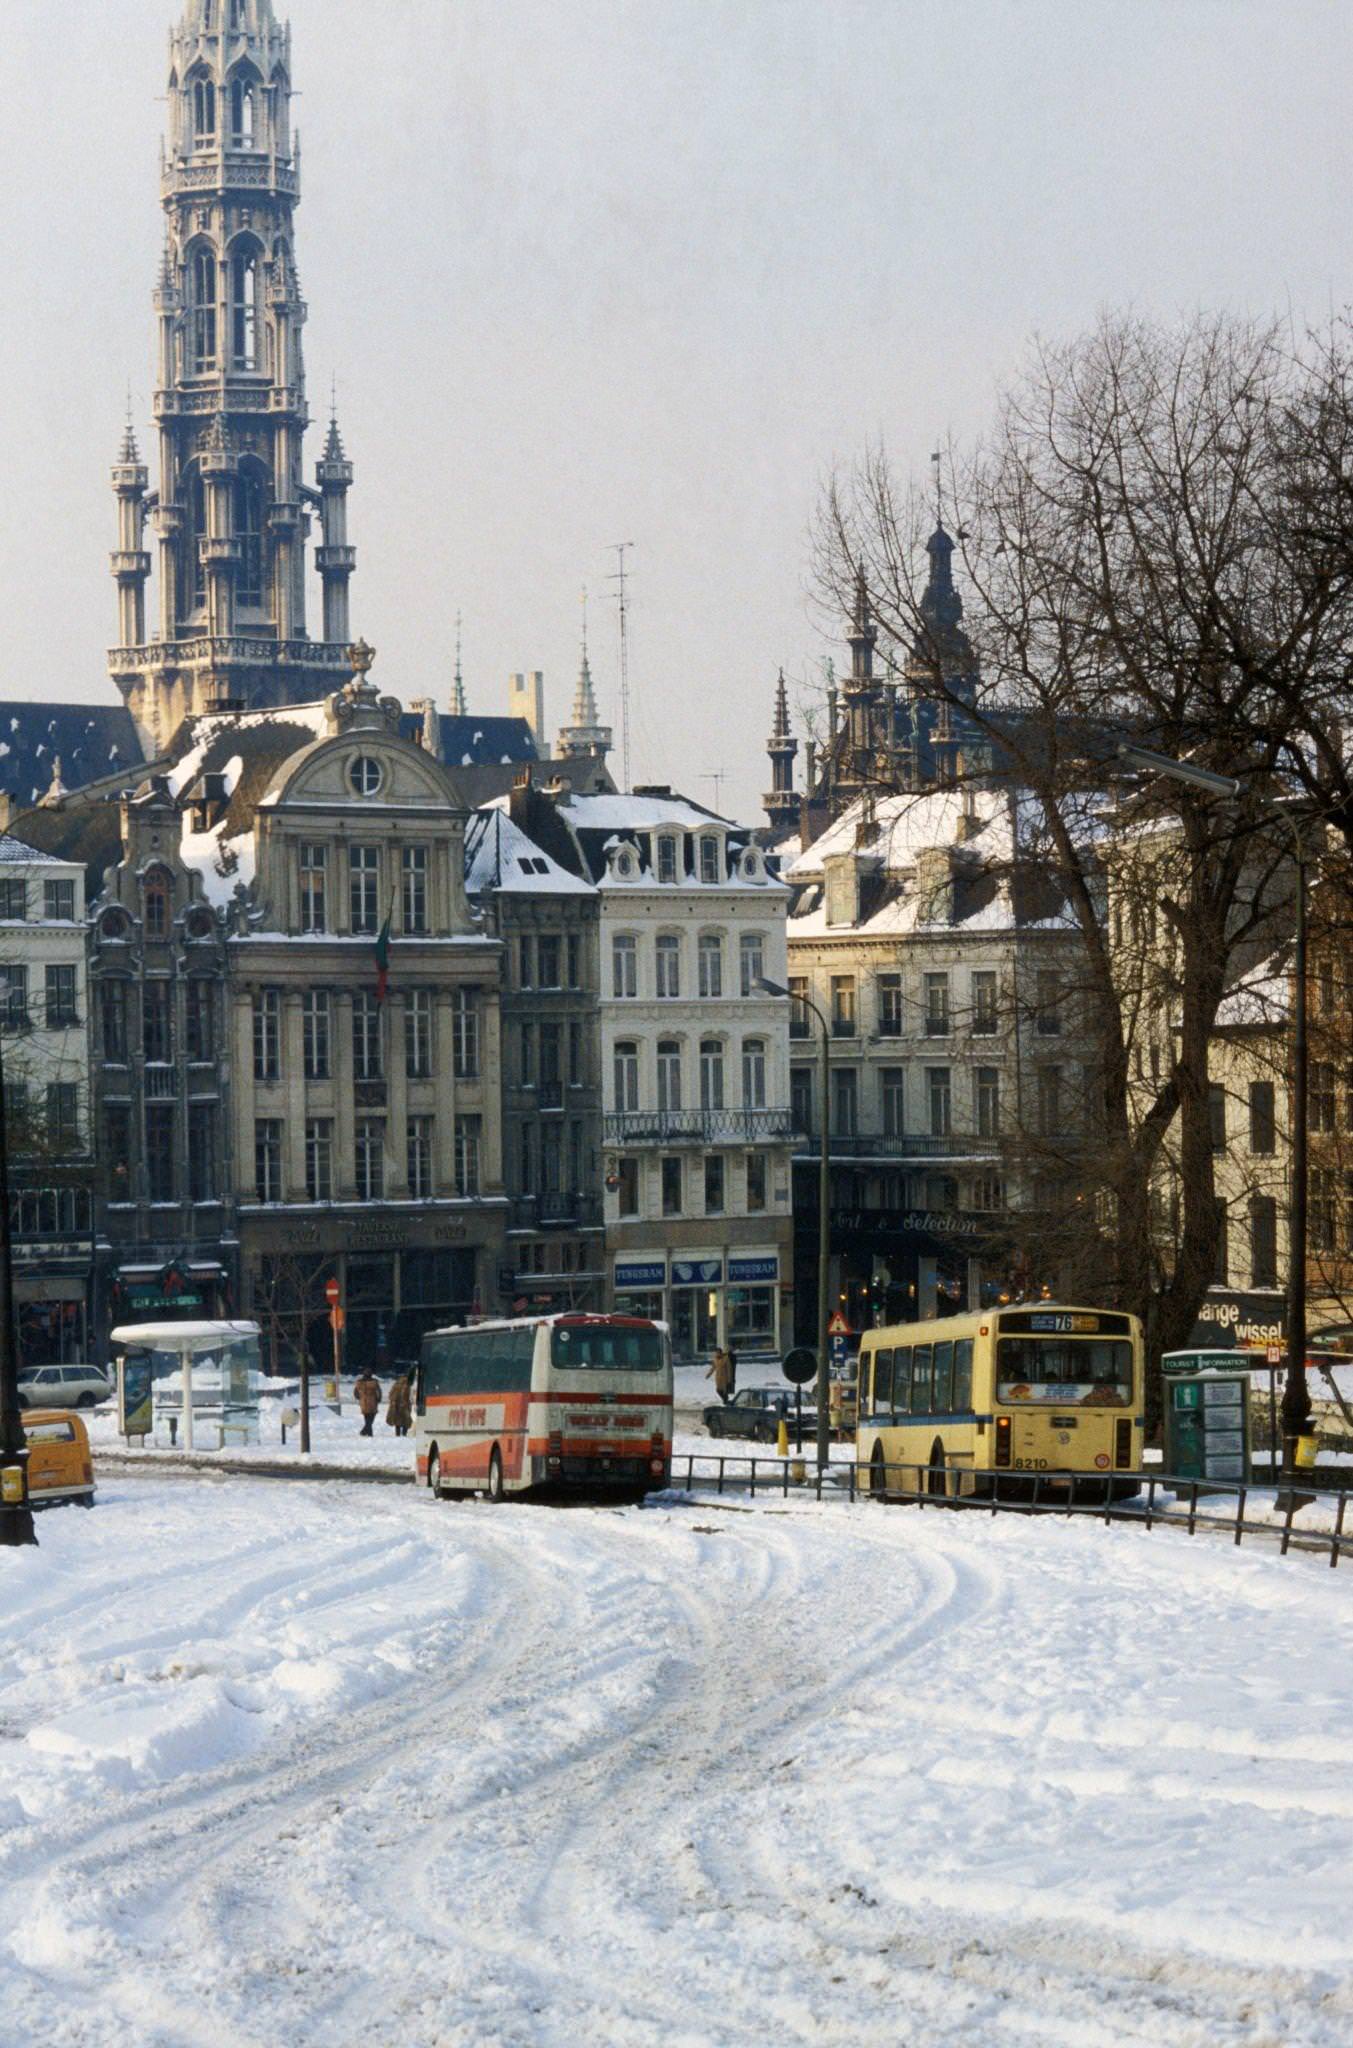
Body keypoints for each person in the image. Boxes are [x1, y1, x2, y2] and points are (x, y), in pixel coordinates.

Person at [353, 1369, 382, 1437]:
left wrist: (360, 1398)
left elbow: (355, 1393)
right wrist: (378, 1399)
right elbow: (379, 1392)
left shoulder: (359, 1382)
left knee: (366, 1418)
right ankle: (365, 1432)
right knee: (371, 1418)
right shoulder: (374, 1382)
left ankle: (367, 1432)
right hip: (373, 1402)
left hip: (363, 1402)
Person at [386, 1373, 412, 1439]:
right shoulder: (407, 1384)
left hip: (396, 1405)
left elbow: (391, 1394)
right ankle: (404, 1434)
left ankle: (397, 1434)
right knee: (406, 1420)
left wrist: (393, 1402)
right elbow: (406, 1395)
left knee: (397, 1420)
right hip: (405, 1404)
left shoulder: (396, 1384)